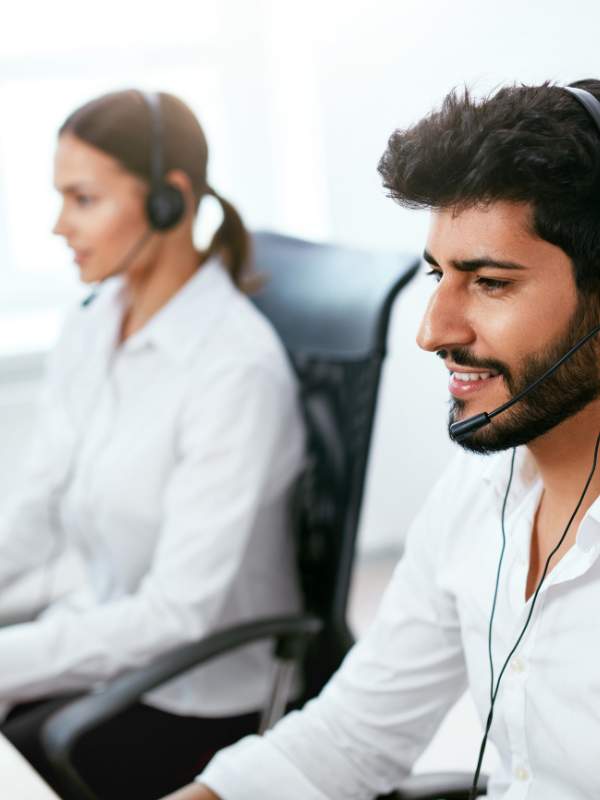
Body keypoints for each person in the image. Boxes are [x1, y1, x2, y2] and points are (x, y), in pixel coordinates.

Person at [166, 79, 600, 800]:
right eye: (439, 274)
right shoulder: (477, 493)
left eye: (489, 282)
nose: (432, 331)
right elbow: (350, 737)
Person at [0, 89, 305, 798]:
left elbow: (177, 613)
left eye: (83, 199)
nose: (57, 225)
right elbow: (35, 512)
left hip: (194, 695)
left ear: (170, 200)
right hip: (101, 649)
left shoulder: (235, 368)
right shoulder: (91, 324)